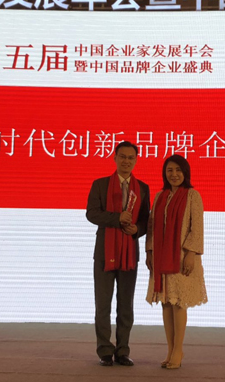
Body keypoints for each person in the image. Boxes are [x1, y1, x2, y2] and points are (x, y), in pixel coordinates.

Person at [86, 141, 150, 367]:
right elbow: (92, 214)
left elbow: (145, 221)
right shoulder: (100, 184)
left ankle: (123, 350)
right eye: (122, 156)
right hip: (104, 253)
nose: (126, 161)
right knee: (102, 304)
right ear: (114, 157)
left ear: (136, 160)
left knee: (126, 305)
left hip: (129, 253)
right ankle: (105, 351)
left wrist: (137, 230)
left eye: (131, 157)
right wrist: (117, 218)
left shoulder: (142, 188)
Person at [145, 154, 207, 369]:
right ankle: (170, 349)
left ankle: (178, 350)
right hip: (161, 256)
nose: (174, 174)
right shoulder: (160, 196)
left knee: (179, 302)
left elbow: (196, 227)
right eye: (170, 170)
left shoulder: (192, 196)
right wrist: (149, 251)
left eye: (178, 170)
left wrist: (191, 253)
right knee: (166, 302)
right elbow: (151, 227)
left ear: (185, 172)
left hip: (182, 258)